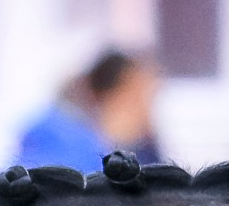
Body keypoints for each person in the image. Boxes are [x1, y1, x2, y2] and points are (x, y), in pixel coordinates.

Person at [12, 48, 162, 173]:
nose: (146, 115)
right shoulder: (56, 142)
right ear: (112, 96)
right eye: (139, 100)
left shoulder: (125, 150)